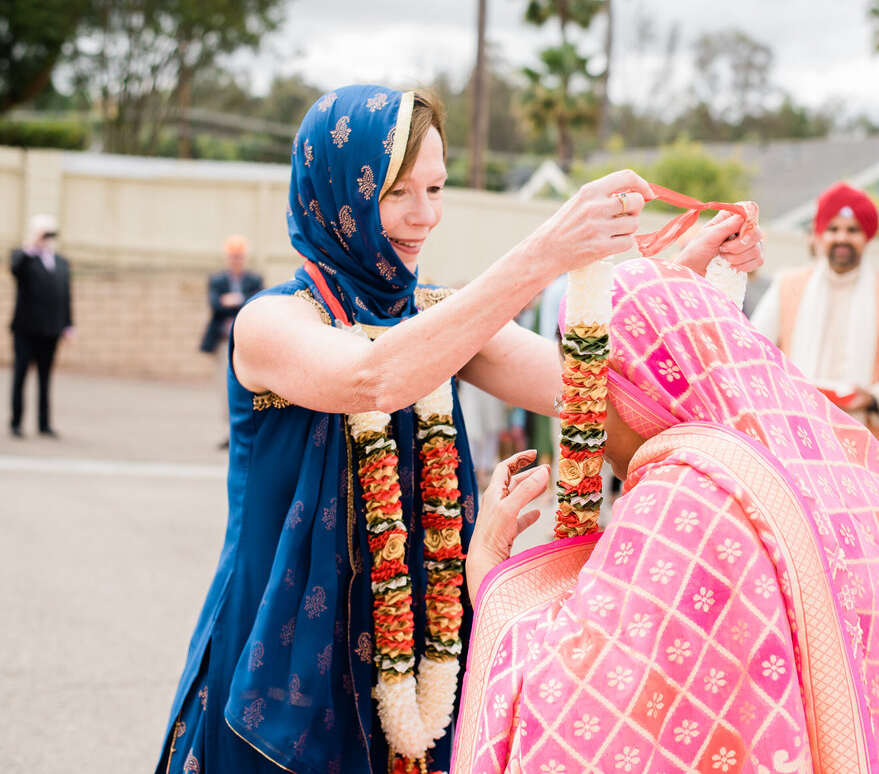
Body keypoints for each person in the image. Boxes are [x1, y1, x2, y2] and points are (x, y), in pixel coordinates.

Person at [155, 85, 763, 774]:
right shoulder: (272, 322)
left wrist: (686, 272)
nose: (424, 218)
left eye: (437, 189)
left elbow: (590, 381)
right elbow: (373, 376)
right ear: (333, 192)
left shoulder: (441, 315)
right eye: (396, 194)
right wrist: (543, 253)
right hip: (285, 662)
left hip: (424, 651)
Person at [456, 258, 879, 774]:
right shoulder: (844, 474)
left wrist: (488, 569)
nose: (575, 410)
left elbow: (575, 705)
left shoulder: (684, 501)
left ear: (635, 390)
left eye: (582, 386)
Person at [751, 182, 879, 480]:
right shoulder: (787, 285)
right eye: (833, 229)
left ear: (867, 236)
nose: (842, 238)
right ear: (820, 234)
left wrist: (874, 398)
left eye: (852, 230)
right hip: (791, 436)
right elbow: (752, 351)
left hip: (863, 445)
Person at [9, 213, 73, 438]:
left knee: (45, 378)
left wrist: (68, 326)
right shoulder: (23, 257)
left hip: (51, 330)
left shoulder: (61, 262)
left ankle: (44, 423)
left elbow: (65, 296)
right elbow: (16, 271)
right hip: (26, 329)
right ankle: (16, 421)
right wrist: (31, 245)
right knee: (21, 375)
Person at [199, 234, 264, 447]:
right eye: (232, 256)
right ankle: (231, 430)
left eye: (239, 256)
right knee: (224, 387)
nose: (236, 260)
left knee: (246, 386)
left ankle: (244, 429)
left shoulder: (254, 279)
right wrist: (239, 301)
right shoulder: (217, 280)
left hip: (244, 342)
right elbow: (216, 306)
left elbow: (254, 304)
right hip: (222, 341)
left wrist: (232, 301)